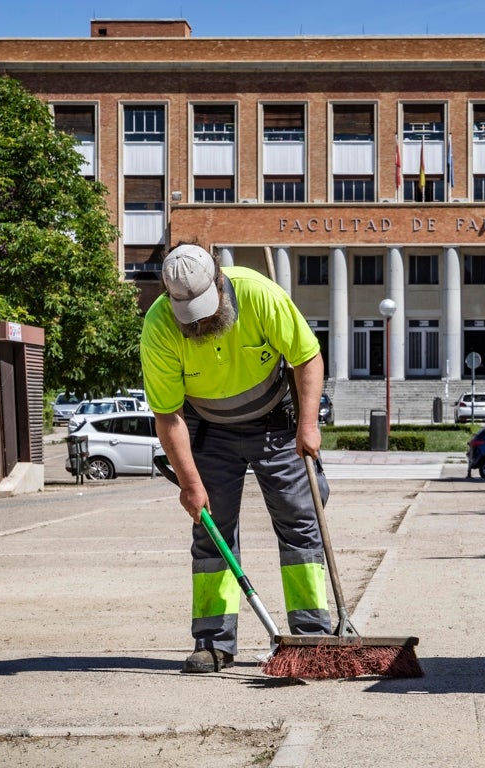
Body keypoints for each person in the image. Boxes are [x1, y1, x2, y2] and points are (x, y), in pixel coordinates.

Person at [140, 244, 330, 673]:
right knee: (211, 533)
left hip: (277, 425)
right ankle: (213, 643)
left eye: (206, 309)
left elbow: (306, 357)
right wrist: (190, 484)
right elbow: (168, 414)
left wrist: (307, 425)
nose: (202, 322)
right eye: (190, 314)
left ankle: (312, 637)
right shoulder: (158, 327)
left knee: (301, 521)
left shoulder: (260, 294)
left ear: (220, 283)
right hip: (209, 432)